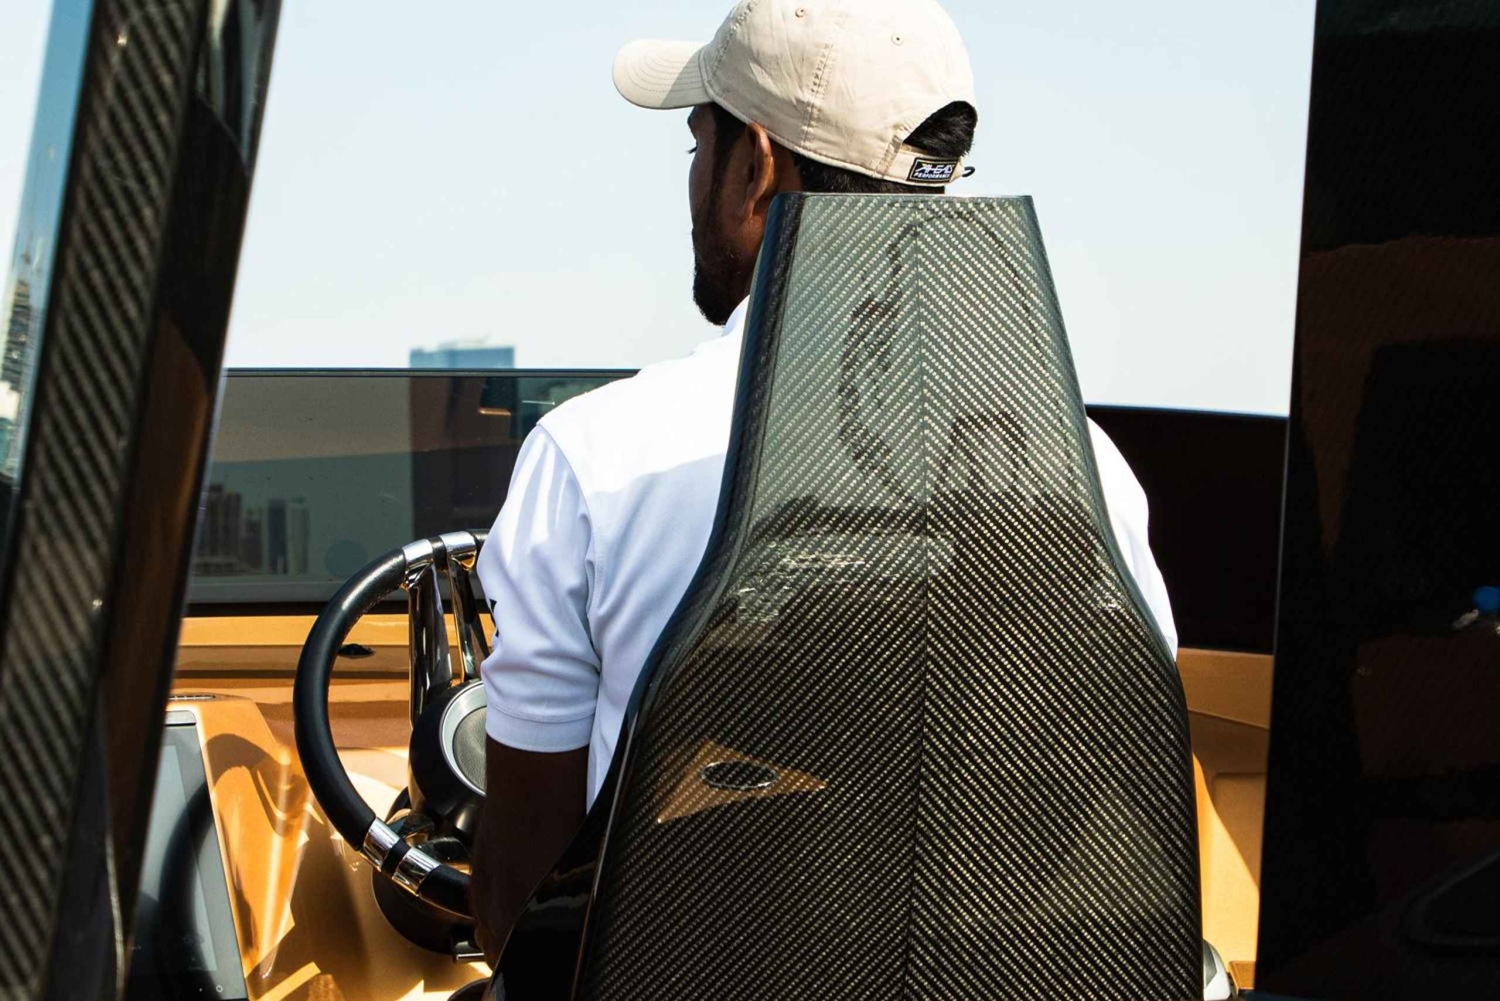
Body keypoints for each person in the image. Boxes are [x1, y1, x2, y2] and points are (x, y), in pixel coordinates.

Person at [469, 0, 1178, 963]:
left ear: (756, 169)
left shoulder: (593, 460)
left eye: (699, 145)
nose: (694, 180)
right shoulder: (1089, 474)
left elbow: (520, 914)